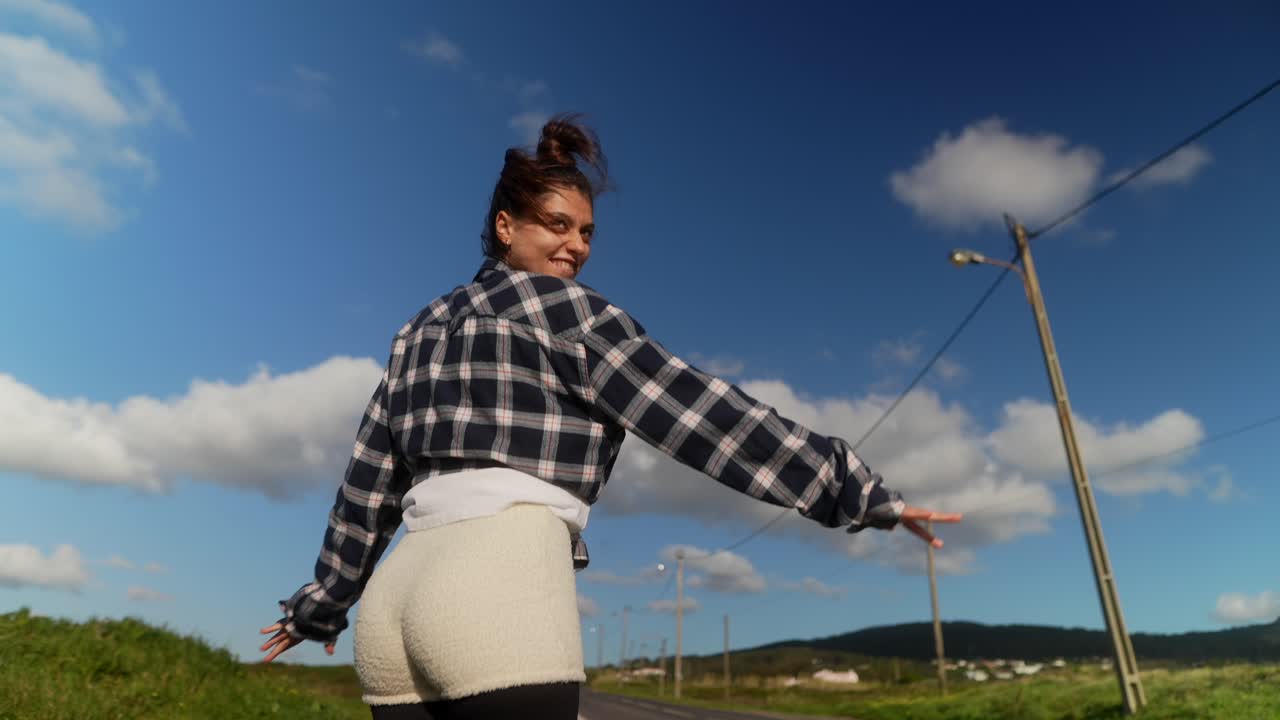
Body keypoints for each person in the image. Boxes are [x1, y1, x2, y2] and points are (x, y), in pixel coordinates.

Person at [258, 114, 961, 719]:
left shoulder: (418, 331)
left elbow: (367, 484)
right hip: (494, 583)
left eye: (587, 232)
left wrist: (320, 607)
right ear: (506, 226)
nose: (577, 247)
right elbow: (707, 419)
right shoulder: (572, 316)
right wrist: (863, 494)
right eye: (556, 225)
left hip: (393, 610)